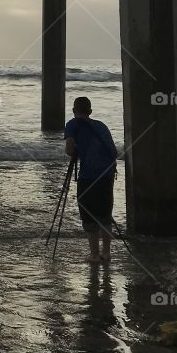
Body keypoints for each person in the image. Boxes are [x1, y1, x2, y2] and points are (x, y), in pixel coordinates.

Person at [64, 96, 118, 265]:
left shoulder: (73, 124)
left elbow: (69, 149)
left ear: (74, 111)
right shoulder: (101, 126)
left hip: (88, 176)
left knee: (88, 215)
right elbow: (114, 151)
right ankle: (106, 253)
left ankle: (94, 255)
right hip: (107, 175)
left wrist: (77, 152)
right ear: (91, 111)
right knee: (105, 214)